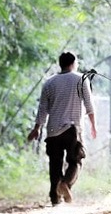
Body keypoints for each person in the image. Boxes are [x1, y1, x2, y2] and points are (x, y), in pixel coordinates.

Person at [28, 52, 98, 204]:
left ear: (60, 64)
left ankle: (55, 198)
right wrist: (93, 125)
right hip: (73, 128)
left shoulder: (49, 82)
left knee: (55, 163)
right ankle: (65, 184)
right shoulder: (81, 79)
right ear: (73, 63)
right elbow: (89, 106)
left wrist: (37, 128)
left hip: (53, 130)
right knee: (76, 160)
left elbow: (43, 109)